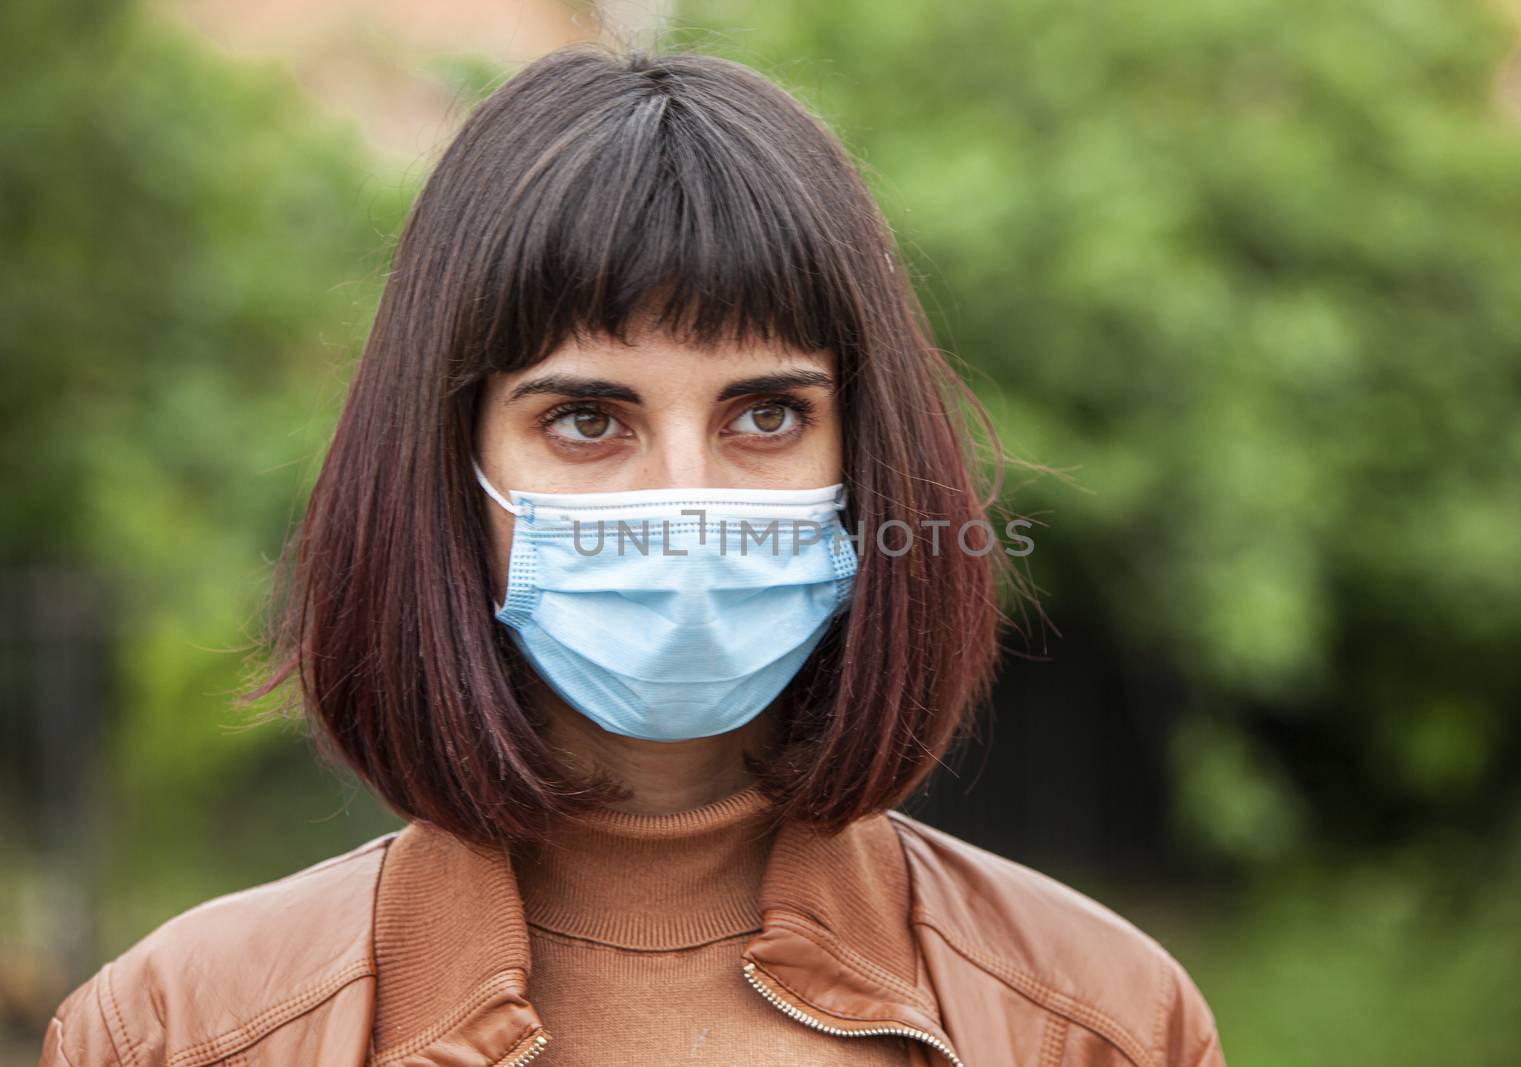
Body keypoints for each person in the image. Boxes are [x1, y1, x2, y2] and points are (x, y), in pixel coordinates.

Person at [37, 45, 1223, 1067]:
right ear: (451, 473)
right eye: (587, 419)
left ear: (865, 460)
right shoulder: (182, 1028)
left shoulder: (1096, 1020)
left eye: (765, 414)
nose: (684, 498)